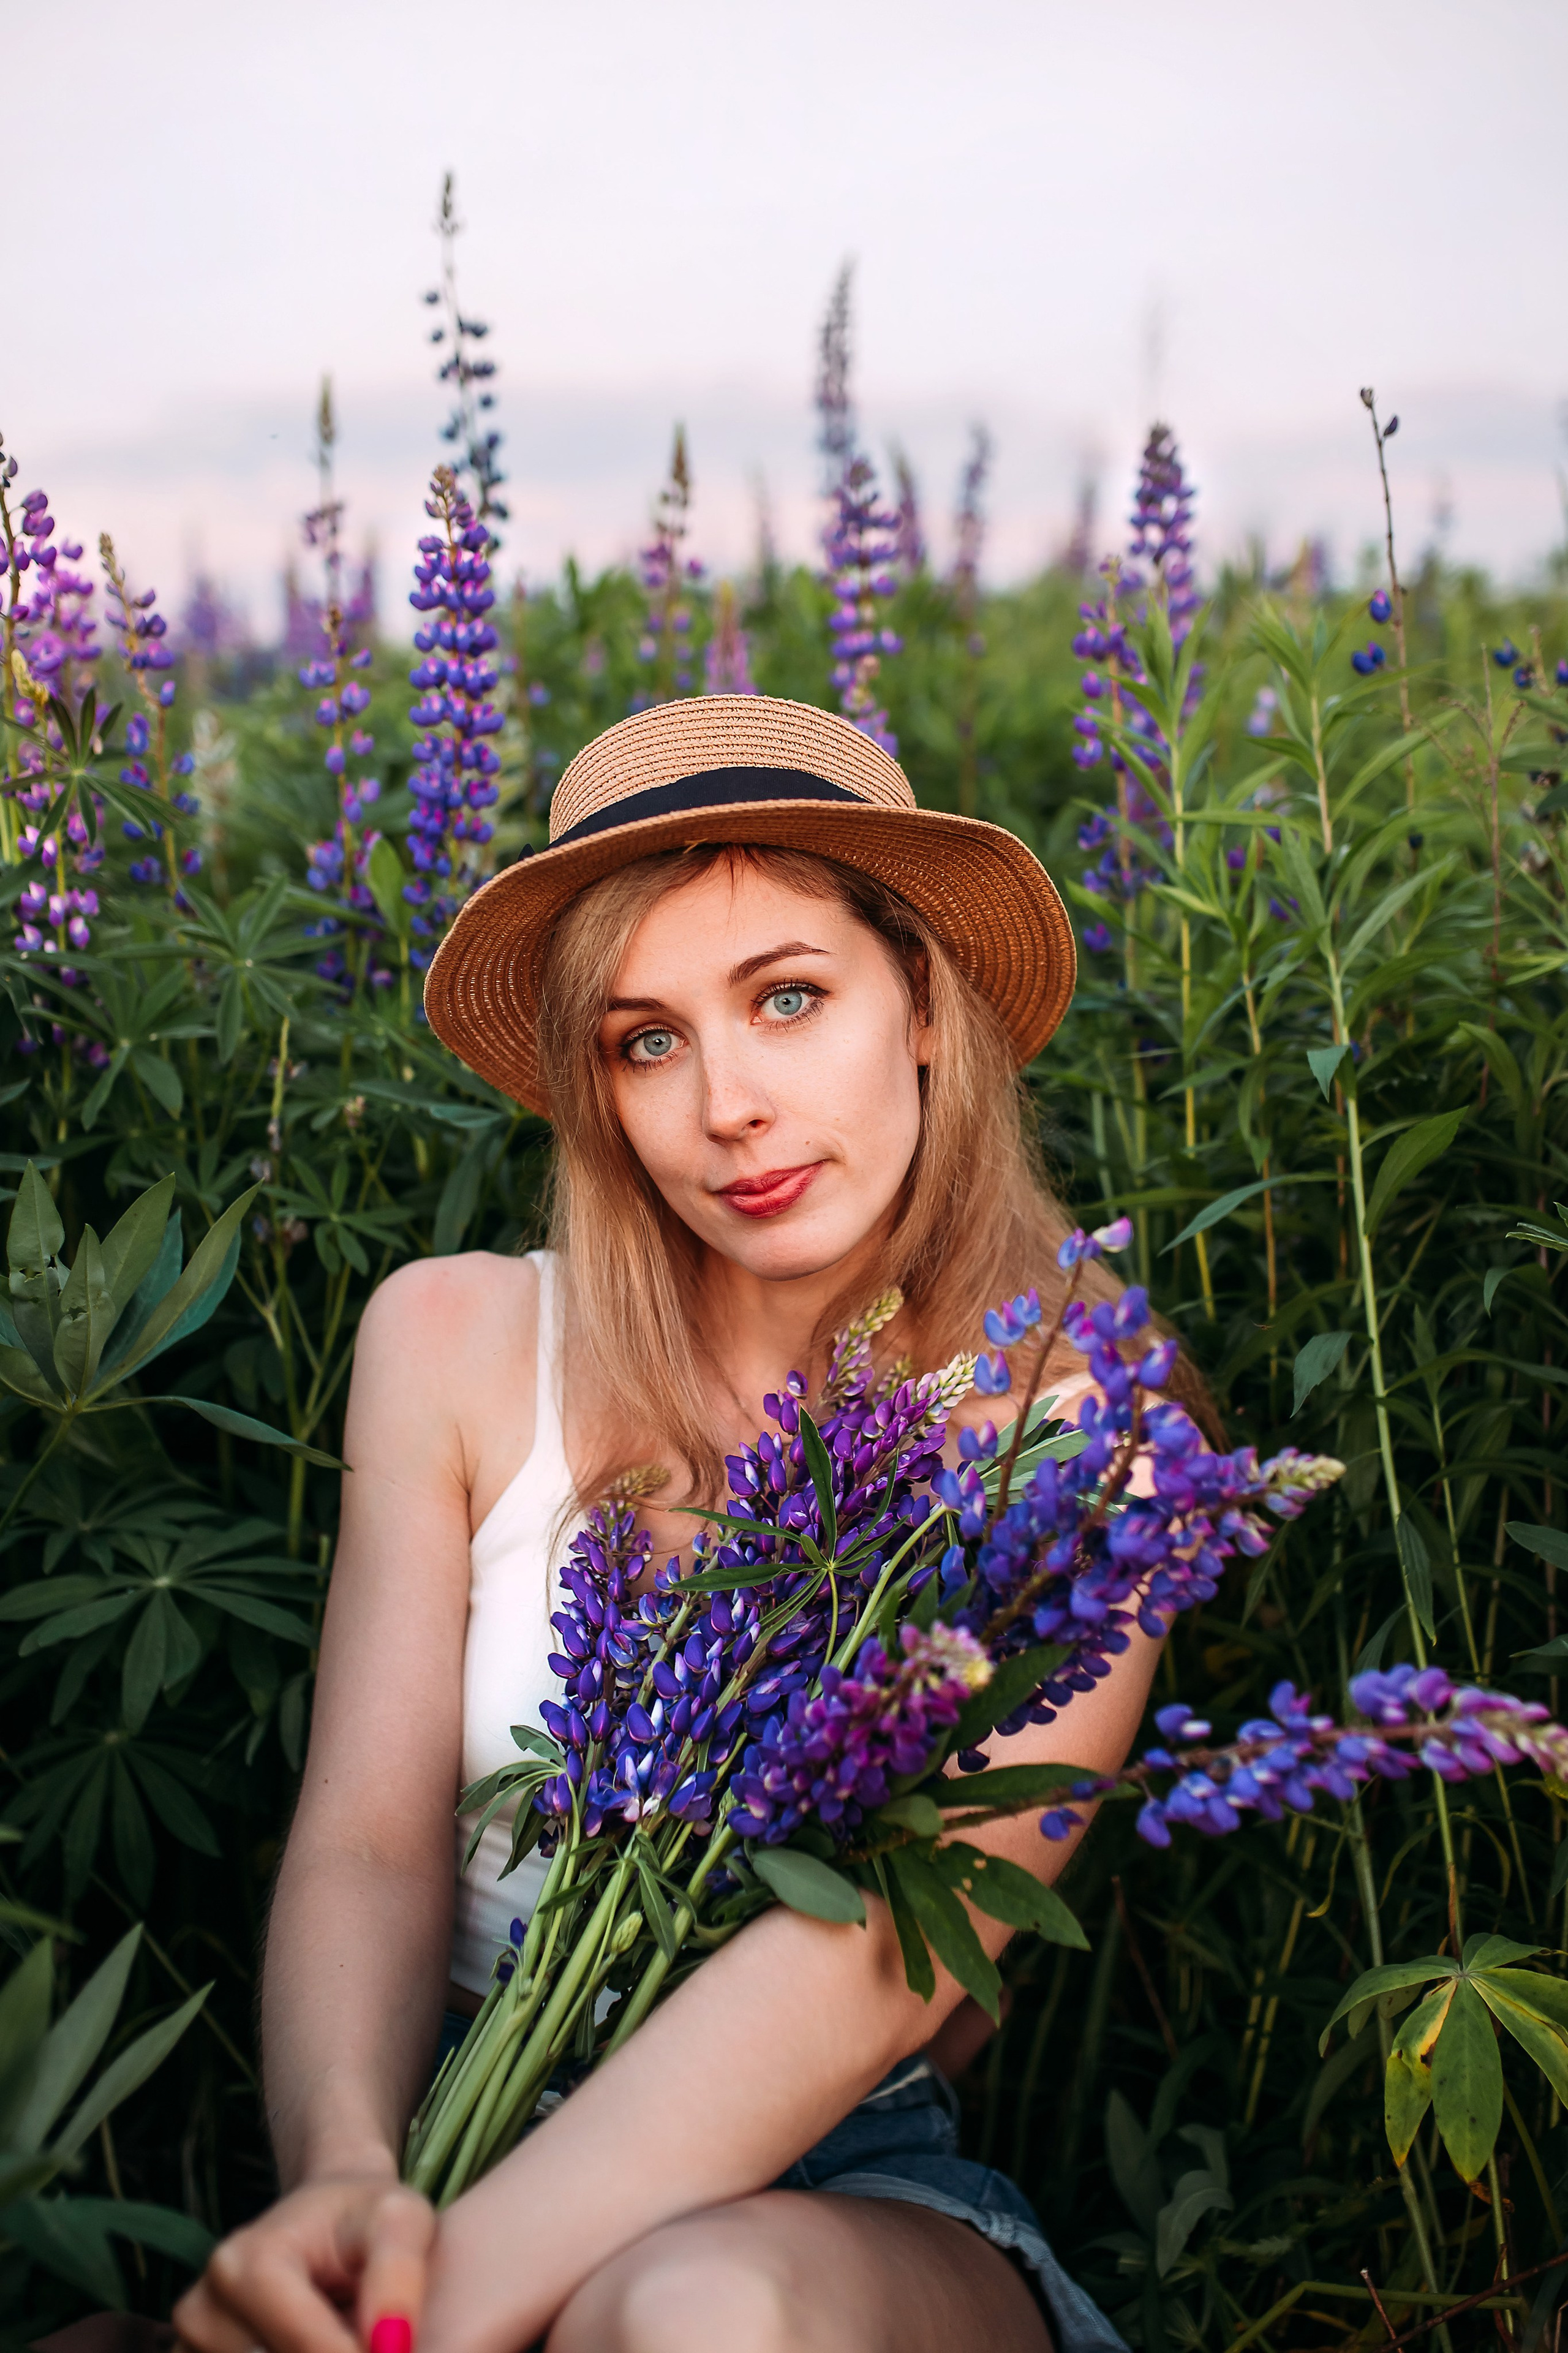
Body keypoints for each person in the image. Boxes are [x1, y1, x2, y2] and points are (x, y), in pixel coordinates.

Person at [175, 695, 1165, 2353]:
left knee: (694, 2312)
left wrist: (431, 2308)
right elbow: (368, 1840)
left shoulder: (1067, 1445)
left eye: (788, 997)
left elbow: (863, 1978)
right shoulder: (455, 1339)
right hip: (440, 2118)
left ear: (920, 1001)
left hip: (824, 2176)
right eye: (649, 1037)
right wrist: (350, 2184)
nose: (728, 1105)